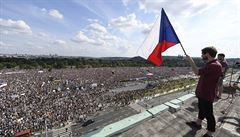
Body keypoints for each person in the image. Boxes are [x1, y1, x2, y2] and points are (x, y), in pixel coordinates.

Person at [185, 47, 222, 137]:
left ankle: (210, 133)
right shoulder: (211, 64)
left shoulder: (214, 65)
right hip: (203, 92)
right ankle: (198, 123)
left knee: (208, 113)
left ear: (208, 54)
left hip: (207, 93)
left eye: (203, 54)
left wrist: (190, 61)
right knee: (201, 108)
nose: (201, 56)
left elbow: (197, 72)